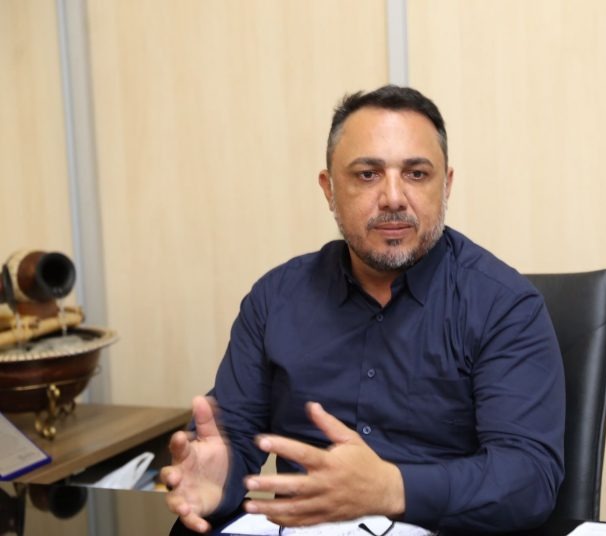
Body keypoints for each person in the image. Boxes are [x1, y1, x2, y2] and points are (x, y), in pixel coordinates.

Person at [161, 85, 565, 535]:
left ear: (446, 185)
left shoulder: (505, 306)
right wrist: (219, 478)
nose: (393, 197)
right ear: (329, 189)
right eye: (368, 174)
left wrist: (393, 488)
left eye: (416, 174)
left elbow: (528, 478)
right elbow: (234, 437)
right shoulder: (275, 299)